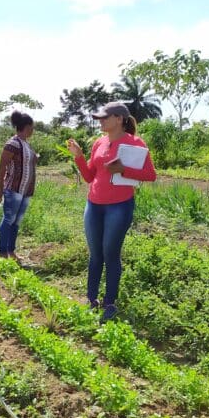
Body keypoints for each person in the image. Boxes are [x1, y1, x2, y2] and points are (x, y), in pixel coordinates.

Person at [66, 102, 156, 323]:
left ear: (119, 119)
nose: (100, 121)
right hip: (94, 205)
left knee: (110, 254)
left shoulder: (135, 143)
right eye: (99, 118)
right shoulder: (99, 143)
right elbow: (89, 177)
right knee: (95, 255)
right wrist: (78, 156)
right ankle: (91, 299)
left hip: (119, 205)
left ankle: (110, 302)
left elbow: (150, 174)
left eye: (105, 118)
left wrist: (123, 169)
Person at [0, 110, 38, 262]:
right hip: (13, 189)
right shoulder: (12, 143)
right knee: (9, 219)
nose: (33, 130)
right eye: (32, 127)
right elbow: (2, 167)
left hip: (25, 191)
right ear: (26, 126)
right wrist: (0, 188)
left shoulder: (26, 144)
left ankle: (11, 251)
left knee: (16, 222)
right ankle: (2, 253)